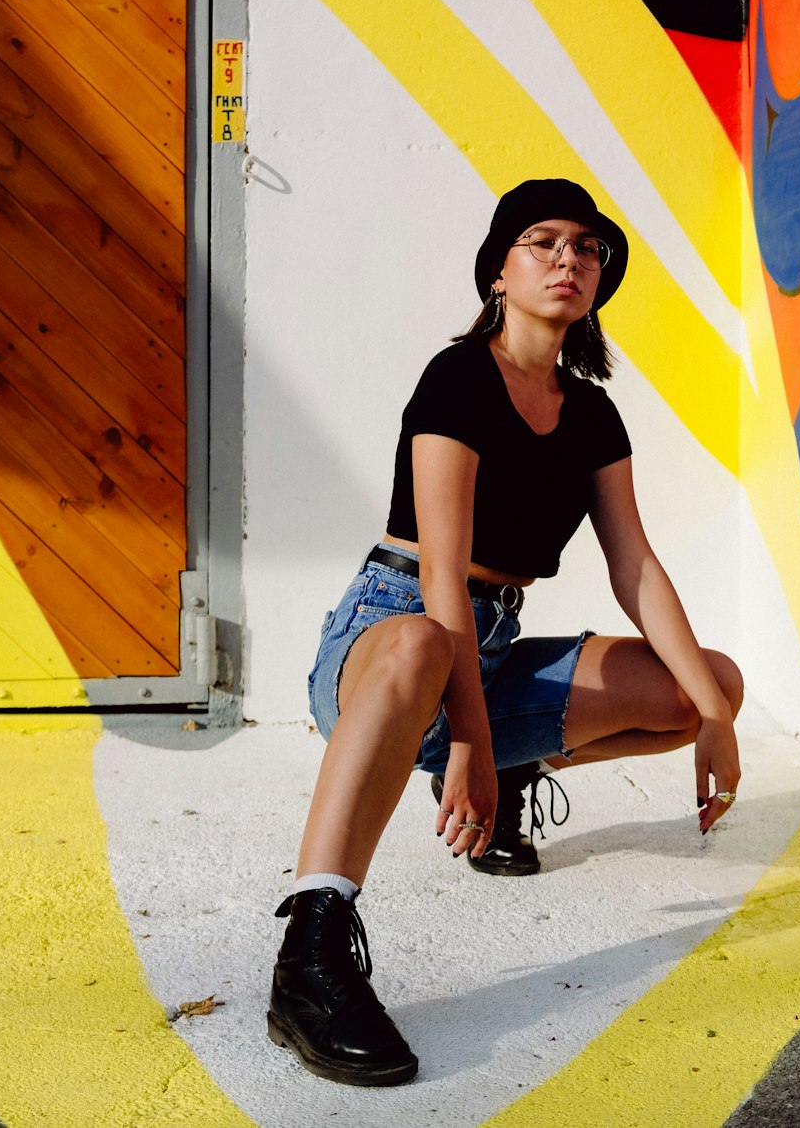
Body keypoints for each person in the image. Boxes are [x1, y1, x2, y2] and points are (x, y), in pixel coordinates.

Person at [267, 178, 743, 1087]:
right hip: (390, 635)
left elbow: (633, 564)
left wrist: (717, 718)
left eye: (588, 248)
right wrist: (471, 741)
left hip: (484, 647)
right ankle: (310, 955)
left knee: (707, 681)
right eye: (543, 241)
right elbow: (441, 576)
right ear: (497, 273)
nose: (570, 258)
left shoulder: (592, 413)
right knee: (422, 645)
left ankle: (515, 766)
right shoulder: (458, 379)